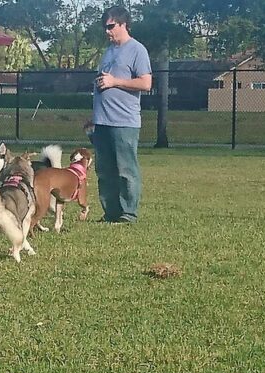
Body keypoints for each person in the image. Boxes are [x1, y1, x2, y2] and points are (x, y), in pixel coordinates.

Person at [92, 6, 152, 223]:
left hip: (124, 122)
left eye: (110, 26)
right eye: (104, 27)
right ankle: (110, 212)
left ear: (123, 24)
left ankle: (128, 213)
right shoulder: (108, 52)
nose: (107, 31)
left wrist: (115, 81)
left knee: (126, 170)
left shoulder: (137, 50)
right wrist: (94, 115)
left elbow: (146, 83)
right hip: (102, 121)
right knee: (104, 171)